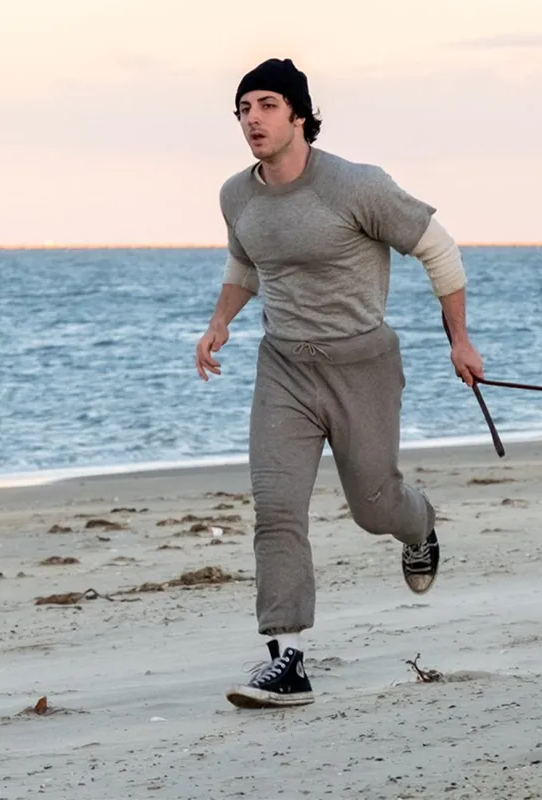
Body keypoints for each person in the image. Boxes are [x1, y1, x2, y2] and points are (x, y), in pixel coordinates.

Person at [194, 57, 484, 709]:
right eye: (243, 109)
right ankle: (287, 658)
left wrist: (460, 341)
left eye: (267, 105)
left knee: (374, 507)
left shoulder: (357, 186)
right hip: (284, 369)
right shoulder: (236, 195)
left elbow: (438, 249)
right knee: (276, 510)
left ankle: (419, 525)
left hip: (363, 367)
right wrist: (219, 322)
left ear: (299, 115)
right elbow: (247, 261)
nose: (252, 119)